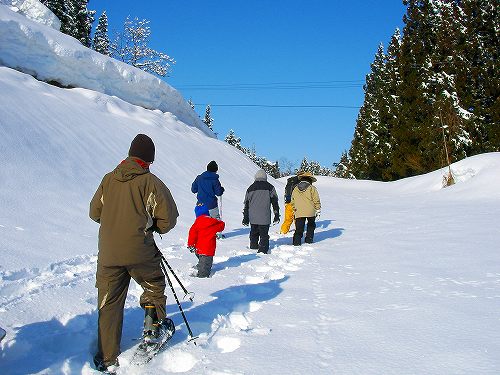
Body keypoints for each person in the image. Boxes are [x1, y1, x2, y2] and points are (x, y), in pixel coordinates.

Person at [89, 134, 179, 373]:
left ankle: (107, 357)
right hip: (139, 249)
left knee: (109, 301)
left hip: (108, 252)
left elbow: (94, 212)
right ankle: (152, 332)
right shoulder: (150, 182)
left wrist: (113, 222)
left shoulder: (108, 179)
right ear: (148, 160)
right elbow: (169, 219)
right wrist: (153, 227)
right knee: (153, 284)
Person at [242, 169, 280, 254]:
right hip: (264, 216)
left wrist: (245, 217)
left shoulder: (250, 188)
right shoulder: (270, 187)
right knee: (264, 235)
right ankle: (263, 250)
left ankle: (253, 246)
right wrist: (276, 215)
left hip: (253, 217)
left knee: (254, 232)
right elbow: (275, 202)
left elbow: (246, 204)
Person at [187, 203, 225, 277]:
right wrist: (218, 221)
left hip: (198, 248)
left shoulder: (196, 224)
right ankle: (202, 277)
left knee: (202, 259)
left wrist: (190, 245)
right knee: (206, 265)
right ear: (207, 213)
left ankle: (201, 267)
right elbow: (222, 226)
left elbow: (192, 235)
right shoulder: (213, 223)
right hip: (208, 250)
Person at [191, 161, 225, 237]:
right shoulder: (215, 179)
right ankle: (218, 235)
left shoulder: (199, 178)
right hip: (211, 204)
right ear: (215, 170)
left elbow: (193, 190)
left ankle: (202, 236)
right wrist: (222, 189)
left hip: (200, 204)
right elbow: (218, 193)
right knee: (215, 220)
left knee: (202, 221)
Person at [291, 172, 321, 246]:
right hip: (310, 211)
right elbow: (316, 199)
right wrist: (318, 209)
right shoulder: (312, 188)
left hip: (299, 211)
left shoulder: (295, 188)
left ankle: (296, 242)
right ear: (310, 180)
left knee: (299, 228)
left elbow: (292, 200)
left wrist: (294, 208)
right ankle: (309, 240)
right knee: (311, 226)